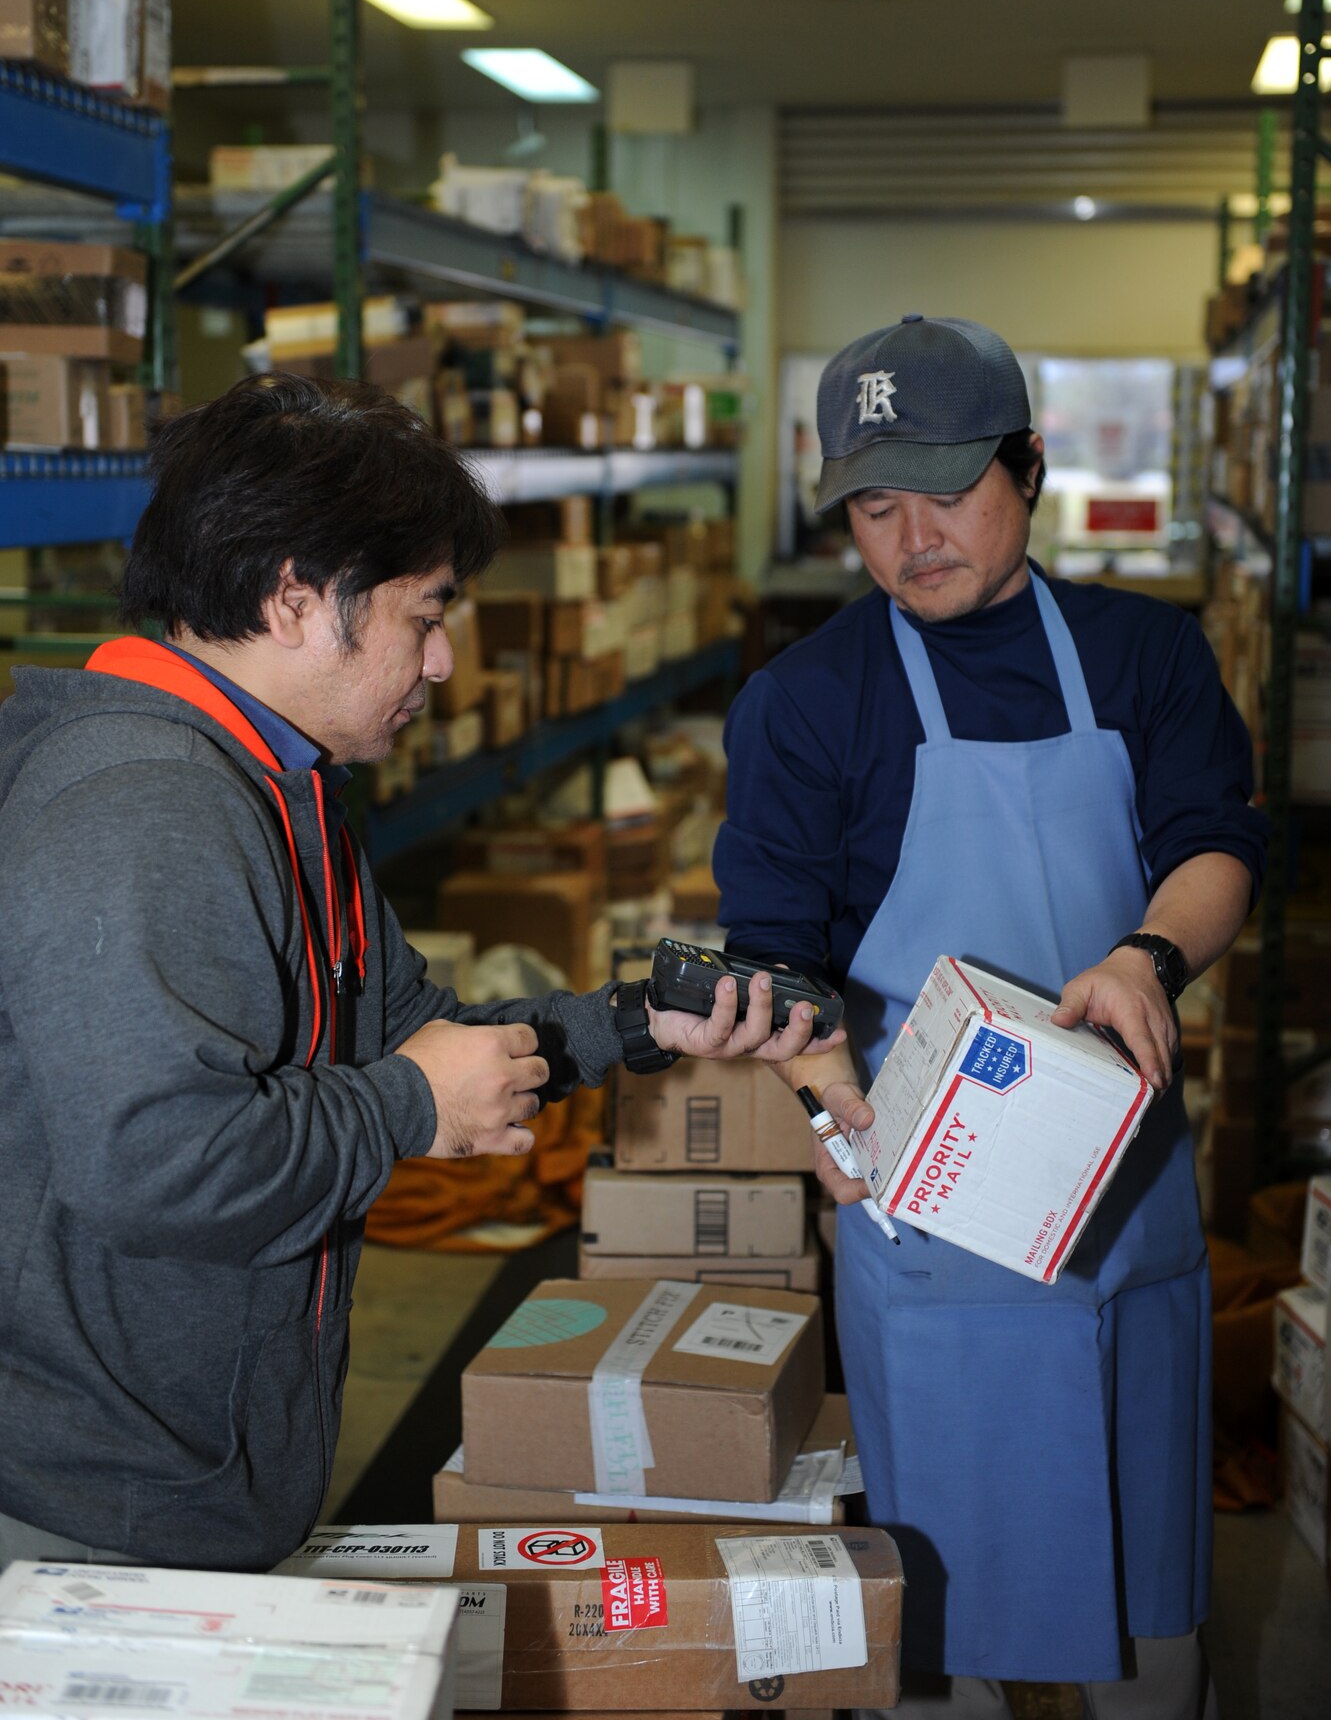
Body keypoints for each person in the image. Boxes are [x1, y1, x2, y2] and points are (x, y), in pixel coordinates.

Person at [0, 372, 833, 1574]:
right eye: (424, 614)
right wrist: (407, 1103)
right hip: (87, 1505)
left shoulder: (279, 786)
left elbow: (419, 1035)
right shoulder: (147, 806)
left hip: (196, 1468)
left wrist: (636, 1021)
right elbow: (160, 1163)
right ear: (294, 597)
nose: (443, 661)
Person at [715, 315, 1266, 1719]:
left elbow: (1216, 843)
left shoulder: (1143, 654)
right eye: (872, 508)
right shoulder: (807, 700)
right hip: (930, 1198)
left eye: (949, 492)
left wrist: (1144, 956)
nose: (913, 539)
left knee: (1144, 1576)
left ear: (1027, 465)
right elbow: (774, 953)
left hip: (1123, 1180)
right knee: (954, 1597)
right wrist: (830, 1108)